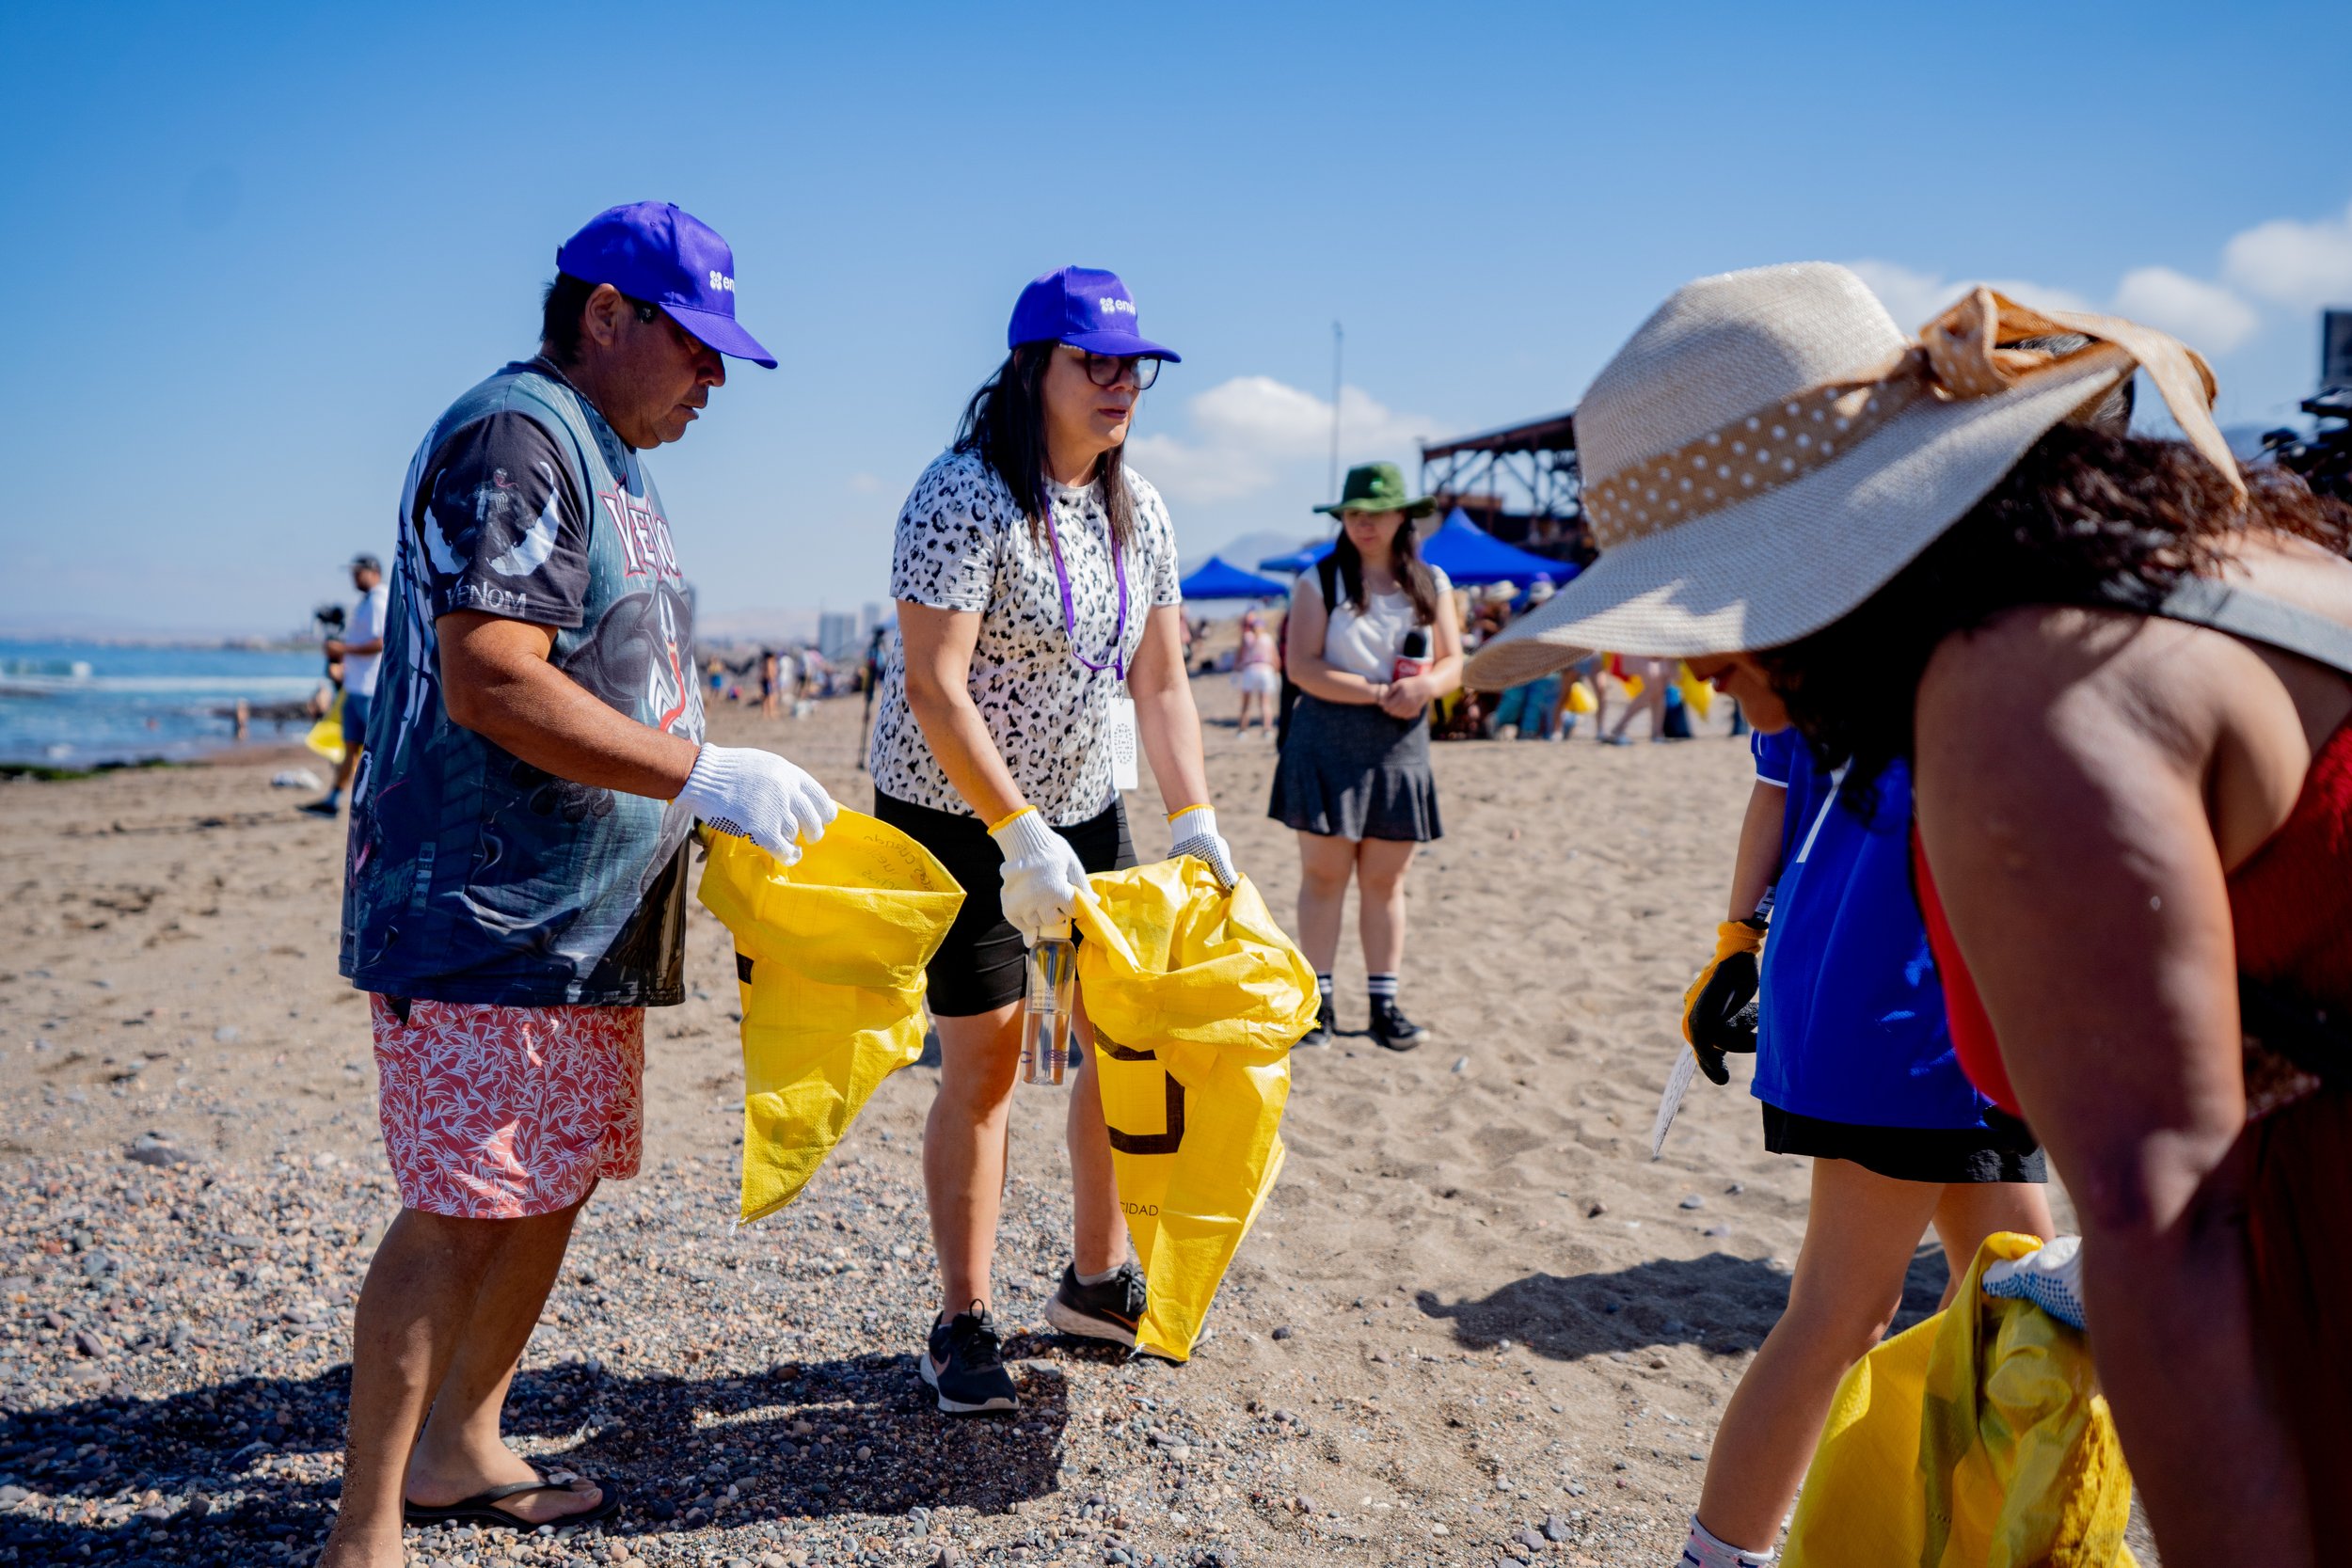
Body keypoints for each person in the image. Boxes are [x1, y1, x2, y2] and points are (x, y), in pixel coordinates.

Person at [1468, 262, 2352, 1566]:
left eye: (1707, 607)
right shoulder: (2184, 558)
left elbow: (2174, 1230)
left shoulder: (2018, 696)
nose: (1697, 667)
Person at [322, 202, 834, 1568]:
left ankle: (461, 1443)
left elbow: (616, 660)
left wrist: (699, 789)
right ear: (606, 315)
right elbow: (494, 673)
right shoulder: (518, 435)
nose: (716, 378)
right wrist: (699, 771)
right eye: (697, 345)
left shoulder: (614, 452)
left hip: (585, 915)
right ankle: (365, 1528)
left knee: (551, 1180)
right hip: (482, 906)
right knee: (464, 1197)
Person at [866, 265, 1235, 1415]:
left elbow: (1162, 680)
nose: (1124, 384)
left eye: (1137, 366)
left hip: (1084, 804)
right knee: (982, 1061)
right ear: (1035, 368)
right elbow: (933, 685)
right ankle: (963, 1318)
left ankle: (1092, 1276)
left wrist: (1197, 818)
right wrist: (1014, 830)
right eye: (1098, 362)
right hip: (953, 807)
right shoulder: (960, 494)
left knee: (1111, 1041)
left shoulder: (1145, 508)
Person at [1676, 702, 2052, 1563]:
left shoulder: (1840, 591)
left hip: (1937, 991)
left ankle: (1935, 1534)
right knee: (1844, 1314)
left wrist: (1739, 938)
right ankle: (1721, 1556)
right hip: (1904, 1000)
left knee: (2013, 1293)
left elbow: (1774, 789)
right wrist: (1735, 942)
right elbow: (1776, 784)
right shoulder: (1917, 612)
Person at [1269, 462, 1463, 1051]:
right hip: (1327, 740)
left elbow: (1456, 661)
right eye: (1353, 514)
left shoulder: (1432, 582)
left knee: (1386, 881)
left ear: (1403, 515)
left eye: (1375, 513)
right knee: (1323, 876)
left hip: (1402, 747)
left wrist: (1427, 688)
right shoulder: (1318, 580)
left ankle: (1385, 1005)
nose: (1363, 524)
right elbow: (1300, 667)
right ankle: (1318, 1007)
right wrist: (1381, 693)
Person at [300, 555, 389, 816]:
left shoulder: (378, 600)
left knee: (373, 749)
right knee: (351, 747)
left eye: (358, 572)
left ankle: (378, 803)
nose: (354, 578)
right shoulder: (366, 601)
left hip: (369, 688)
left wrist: (342, 648)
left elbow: (381, 641)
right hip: (356, 686)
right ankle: (334, 800)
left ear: (373, 571)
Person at [1232, 608, 1281, 735]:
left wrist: (1236, 670)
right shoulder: (1268, 638)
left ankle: (1242, 730)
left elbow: (1239, 656)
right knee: (1265, 703)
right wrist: (1277, 672)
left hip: (1250, 670)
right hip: (1266, 670)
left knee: (1246, 704)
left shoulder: (1247, 637)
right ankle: (1267, 729)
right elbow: (1276, 658)